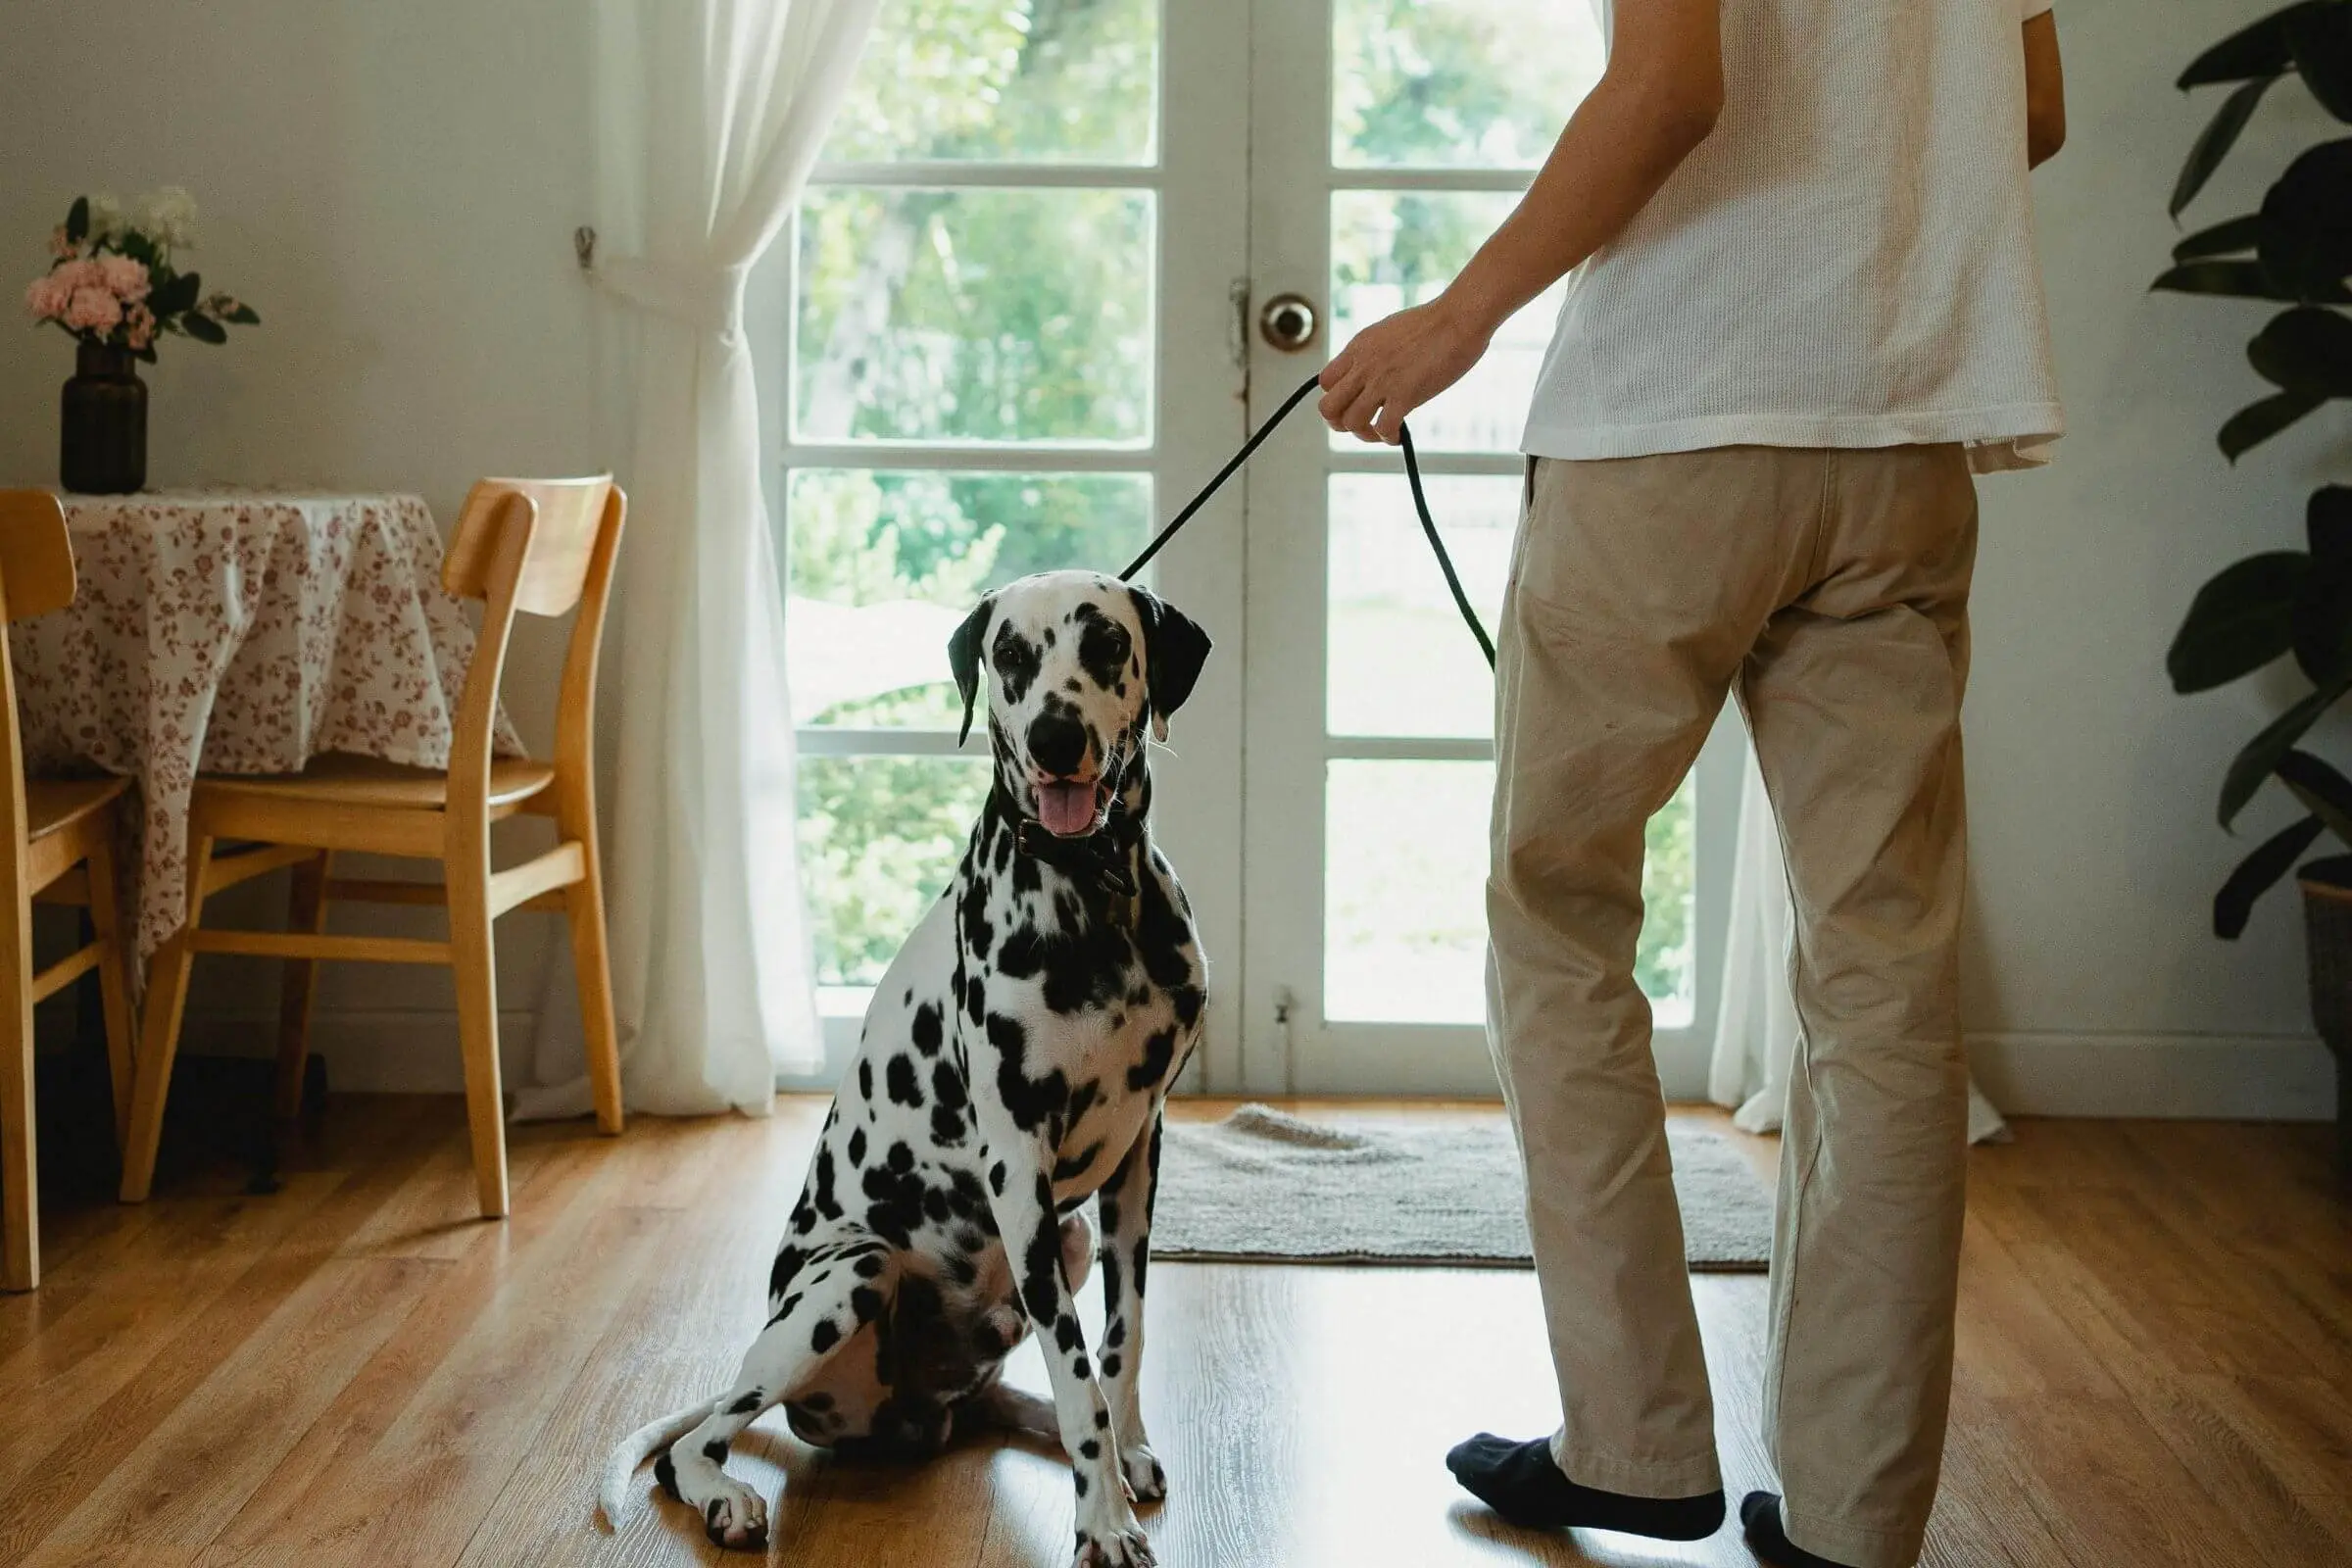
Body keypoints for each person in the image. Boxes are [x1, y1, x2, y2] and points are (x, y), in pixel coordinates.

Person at [1317, 2, 2067, 1565]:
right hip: (1904, 435)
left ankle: (1636, 1443)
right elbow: (2034, 110)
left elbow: (1668, 90)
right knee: (1885, 982)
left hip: (1675, 418)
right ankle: (1858, 1518)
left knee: (1559, 921)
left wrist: (1456, 319)